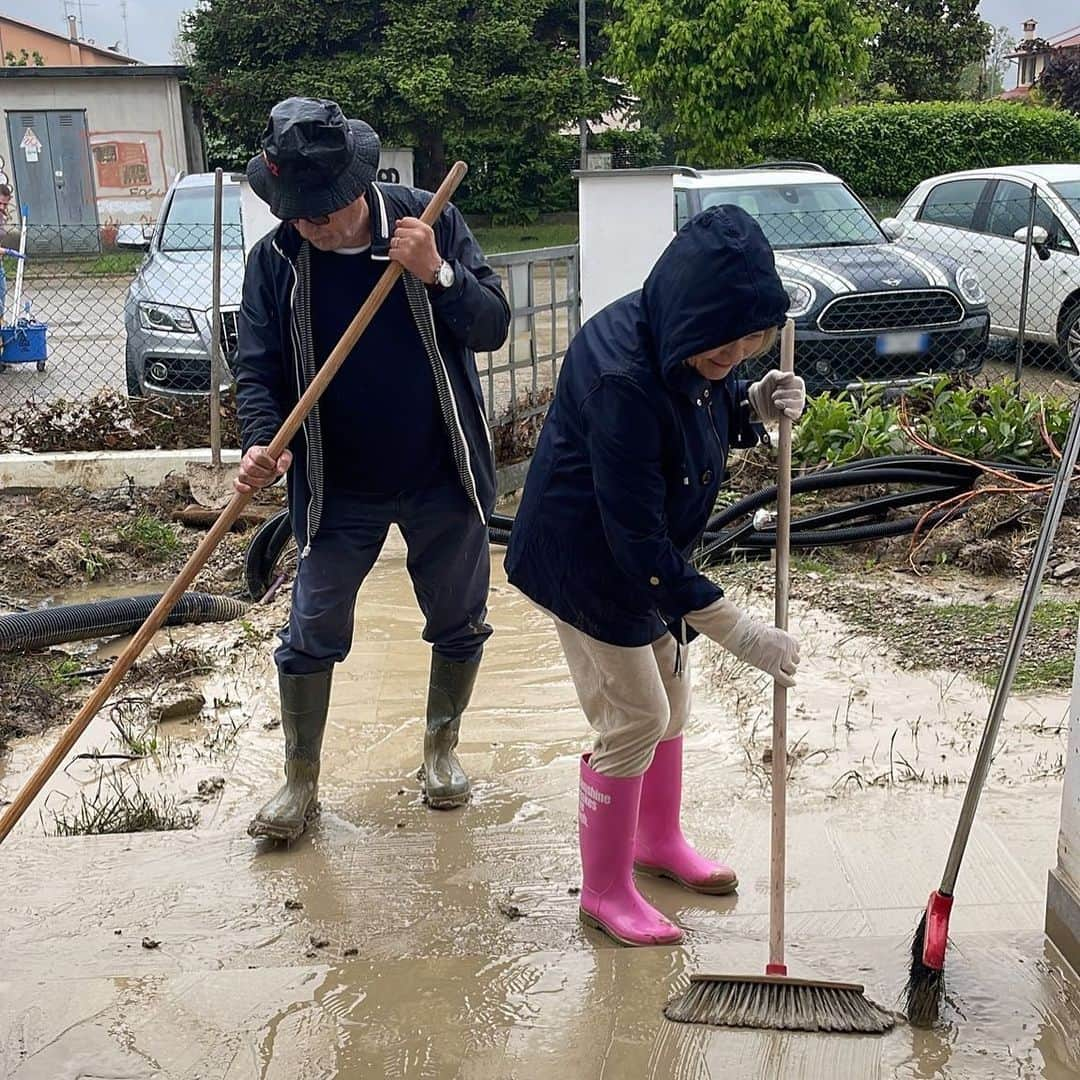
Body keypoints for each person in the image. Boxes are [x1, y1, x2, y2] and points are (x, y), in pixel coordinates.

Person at [505, 205, 806, 946]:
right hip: (586, 561)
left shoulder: (687, 340)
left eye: (755, 338)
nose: (737, 351)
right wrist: (739, 630)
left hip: (642, 555)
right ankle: (605, 891)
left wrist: (753, 403)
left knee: (671, 695)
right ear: (686, 313)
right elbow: (635, 544)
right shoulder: (622, 379)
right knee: (634, 715)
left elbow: (704, 397)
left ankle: (656, 842)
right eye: (724, 344)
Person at [234, 97, 510, 842]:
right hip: (336, 481)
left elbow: (492, 325)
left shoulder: (426, 221)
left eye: (321, 211)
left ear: (358, 185)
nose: (311, 225)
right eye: (296, 212)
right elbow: (257, 372)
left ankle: (440, 755)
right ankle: (301, 782)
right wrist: (264, 442)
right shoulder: (277, 260)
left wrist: (438, 274)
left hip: (439, 468)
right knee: (310, 626)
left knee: (458, 618)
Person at [0, 184, 12, 321]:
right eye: (0, 203)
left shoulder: (2, 216)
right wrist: (6, 251)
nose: (2, 207)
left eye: (5, 204)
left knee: (1, 299)